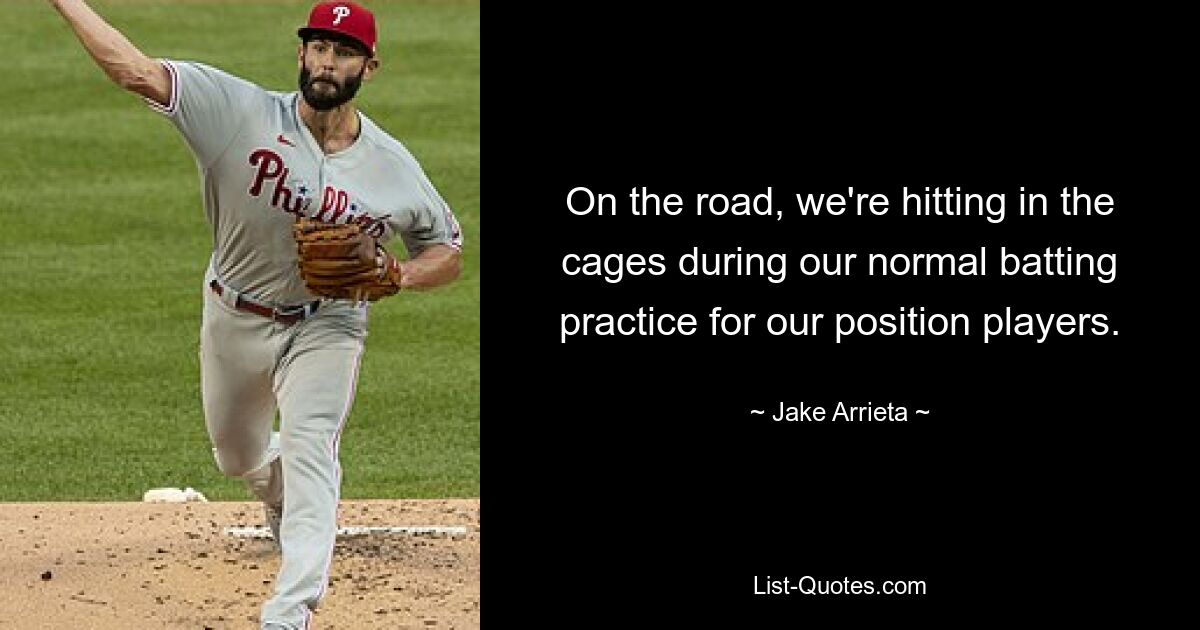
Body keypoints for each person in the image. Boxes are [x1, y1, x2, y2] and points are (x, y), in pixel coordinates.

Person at [47, 1, 464, 627]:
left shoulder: (393, 165)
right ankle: (275, 491)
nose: (327, 62)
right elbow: (134, 70)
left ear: (369, 67)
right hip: (233, 315)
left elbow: (447, 249)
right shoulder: (235, 112)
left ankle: (288, 613)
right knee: (237, 457)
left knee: (313, 448)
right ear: (300, 53)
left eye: (344, 51)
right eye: (318, 47)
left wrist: (400, 274)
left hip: (329, 323)